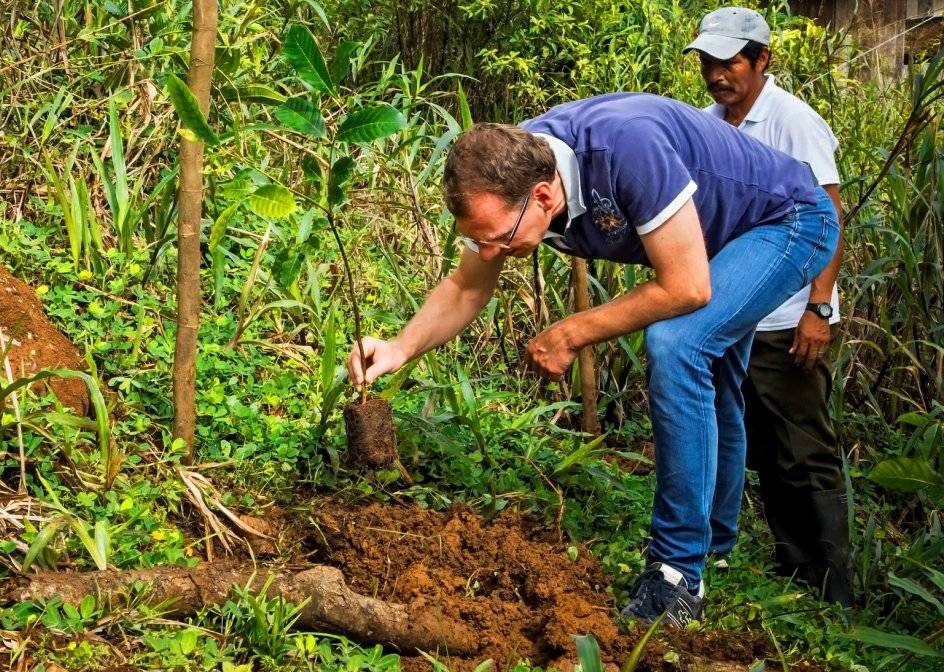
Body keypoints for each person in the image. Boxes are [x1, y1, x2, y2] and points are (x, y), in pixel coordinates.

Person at [346, 93, 839, 626]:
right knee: (714, 376)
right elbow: (468, 286)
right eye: (476, 240)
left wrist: (571, 332)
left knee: (678, 344)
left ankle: (677, 576)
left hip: (786, 221)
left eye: (495, 240)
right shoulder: (506, 171)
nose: (488, 254)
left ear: (542, 196)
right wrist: (399, 346)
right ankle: (715, 545)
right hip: (713, 233)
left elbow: (687, 287)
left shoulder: (625, 149)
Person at [685, 6, 851, 605]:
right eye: (707, 62)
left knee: (804, 452)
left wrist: (819, 308)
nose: (715, 74)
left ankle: (834, 593)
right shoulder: (709, 124)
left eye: (728, 62)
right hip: (733, 316)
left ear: (761, 60)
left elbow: (828, 219)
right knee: (760, 448)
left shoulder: (793, 124)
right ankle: (793, 572)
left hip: (787, 319)